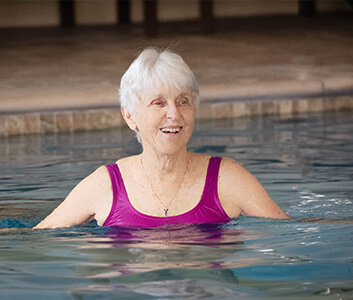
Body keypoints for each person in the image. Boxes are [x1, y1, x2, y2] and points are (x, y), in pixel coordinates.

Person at [34, 47, 290, 229]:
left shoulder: (228, 179)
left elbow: (291, 233)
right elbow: (36, 239)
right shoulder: (106, 185)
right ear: (130, 116)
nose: (174, 114)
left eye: (183, 101)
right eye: (158, 102)